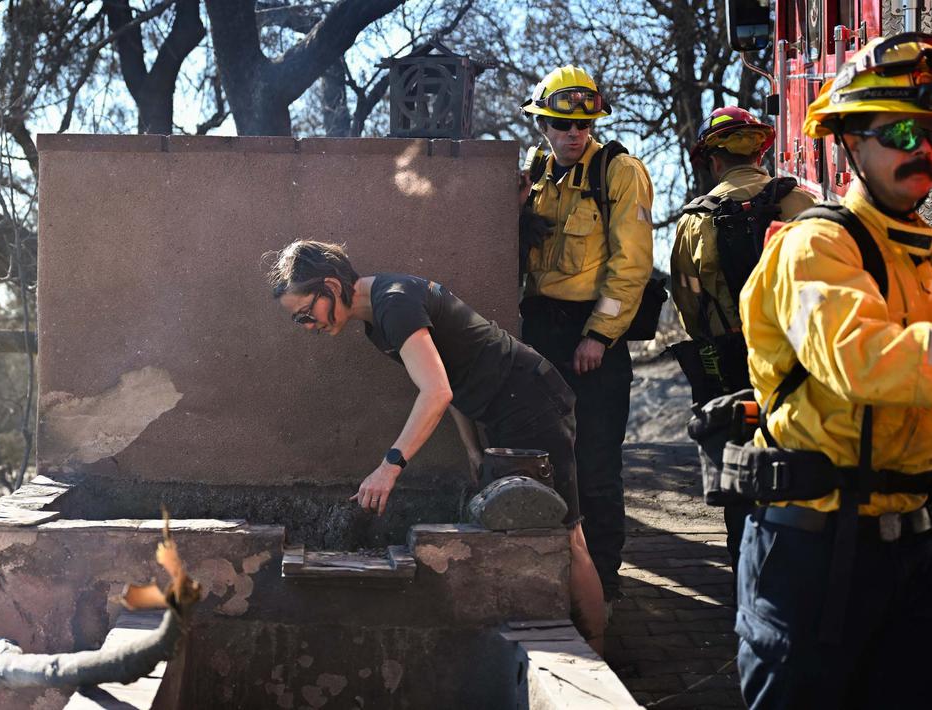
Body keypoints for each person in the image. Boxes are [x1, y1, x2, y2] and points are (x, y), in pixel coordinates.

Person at [265, 240, 606, 652]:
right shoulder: (379, 321)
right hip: (506, 411)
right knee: (547, 532)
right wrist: (473, 450)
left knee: (566, 535)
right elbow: (449, 383)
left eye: (305, 314)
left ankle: (598, 653)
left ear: (332, 287)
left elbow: (436, 391)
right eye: (298, 320)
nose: (308, 326)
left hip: (532, 404)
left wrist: (389, 466)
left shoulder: (394, 304)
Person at [733, 33, 932, 708]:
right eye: (901, 130)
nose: (921, 148)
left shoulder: (921, 252)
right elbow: (863, 363)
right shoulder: (816, 245)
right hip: (810, 557)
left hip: (910, 550)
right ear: (850, 142)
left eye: (930, 132)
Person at [517, 65, 655, 604]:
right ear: (542, 126)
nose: (573, 133)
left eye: (583, 123)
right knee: (540, 460)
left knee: (596, 466)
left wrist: (599, 334)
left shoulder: (620, 172)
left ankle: (604, 587)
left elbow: (632, 265)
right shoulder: (534, 174)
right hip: (540, 330)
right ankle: (548, 579)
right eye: (559, 123)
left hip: (593, 336)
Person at [670, 106, 815, 574]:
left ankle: (747, 580)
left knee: (739, 476)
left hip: (729, 367)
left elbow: (688, 305)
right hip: (801, 362)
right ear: (760, 150)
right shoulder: (803, 203)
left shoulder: (694, 221)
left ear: (713, 161)